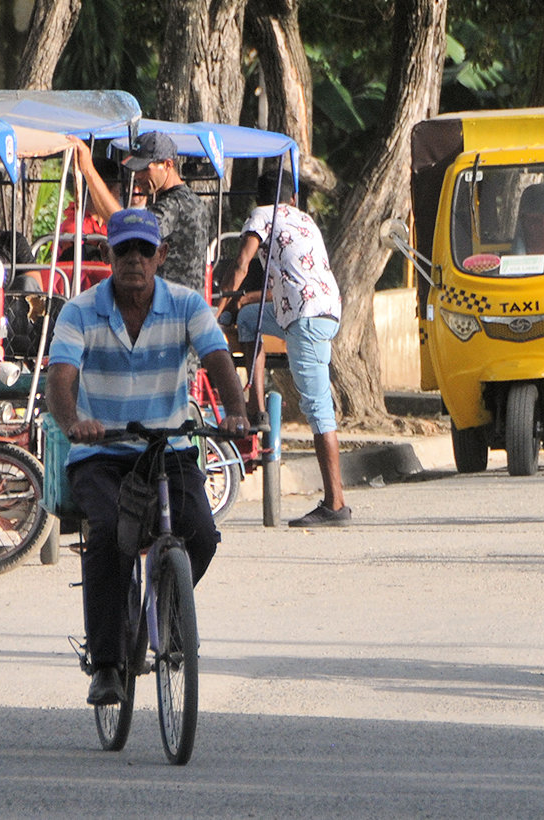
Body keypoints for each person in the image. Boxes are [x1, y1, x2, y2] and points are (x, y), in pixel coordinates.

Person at [45, 208, 249, 707]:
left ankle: (170, 608)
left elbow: (218, 357)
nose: (133, 259)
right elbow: (60, 378)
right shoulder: (80, 311)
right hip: (102, 451)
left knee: (200, 534)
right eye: (123, 250)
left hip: (169, 449)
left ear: (160, 256)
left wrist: (239, 412)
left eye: (143, 250)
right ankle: (109, 663)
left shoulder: (186, 305)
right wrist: (74, 422)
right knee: (113, 535)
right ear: (106, 256)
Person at [224, 166, 349, 527]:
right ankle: (256, 402)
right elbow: (290, 281)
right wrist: (243, 303)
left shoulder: (262, 216)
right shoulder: (304, 220)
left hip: (305, 318)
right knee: (249, 321)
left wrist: (217, 307)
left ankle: (336, 503)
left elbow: (242, 263)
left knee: (317, 408)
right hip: (324, 308)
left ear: (258, 200)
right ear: (293, 197)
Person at [71, 132, 212, 295]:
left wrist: (89, 170)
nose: (138, 176)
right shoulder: (188, 199)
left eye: (145, 169)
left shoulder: (174, 205)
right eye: (135, 169)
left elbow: (124, 225)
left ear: (167, 164)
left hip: (174, 309)